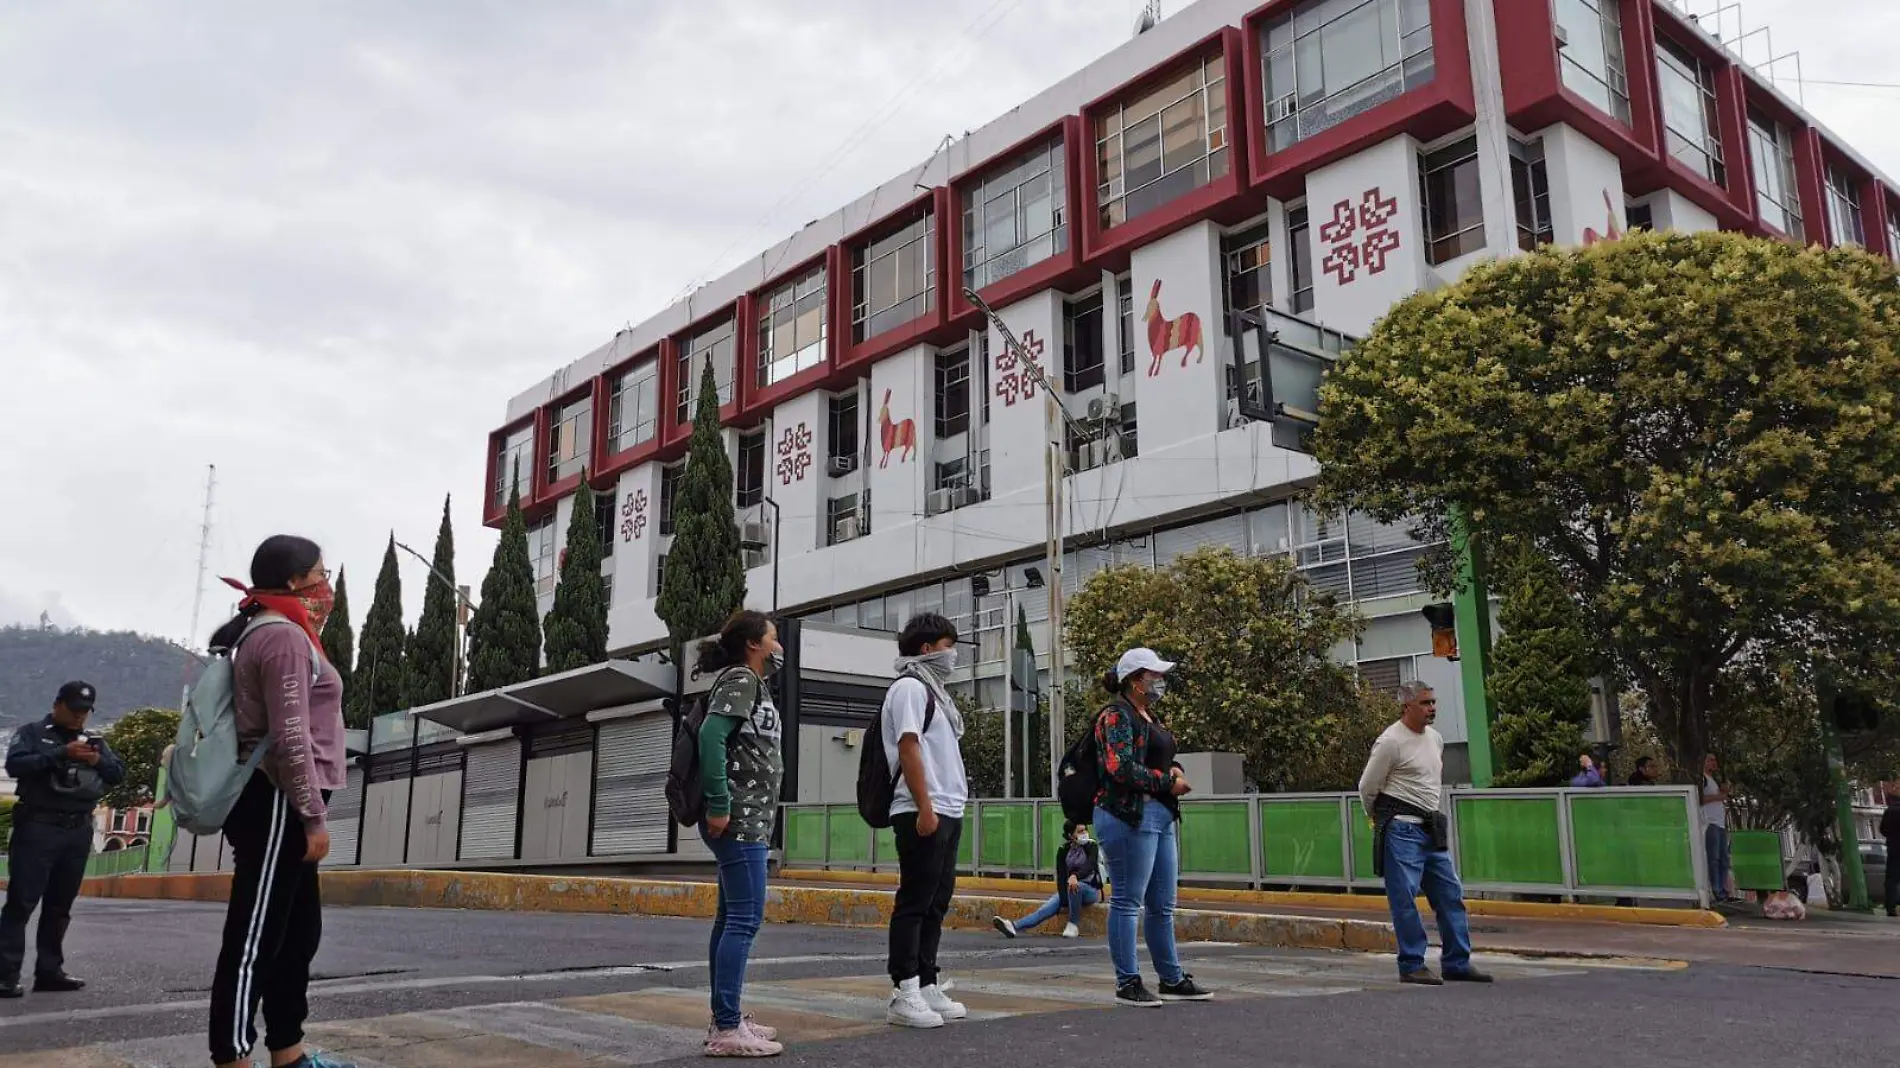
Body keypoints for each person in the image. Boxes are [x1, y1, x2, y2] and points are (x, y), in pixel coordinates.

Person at [207, 536, 352, 1068]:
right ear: (294, 581)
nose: (327, 585)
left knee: (298, 932)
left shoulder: (280, 630)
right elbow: (290, 737)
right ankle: (232, 1055)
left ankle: (287, 1052)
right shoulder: (284, 637)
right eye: (321, 572)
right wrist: (312, 816)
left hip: (284, 800)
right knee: (255, 936)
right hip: (276, 801)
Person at [1092, 648, 1211, 1008]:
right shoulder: (1116, 715)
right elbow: (1120, 767)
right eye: (1153, 674)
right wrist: (1166, 783)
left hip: (1159, 816)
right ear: (1134, 680)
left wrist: (1174, 769)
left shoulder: (1149, 716)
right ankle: (1127, 982)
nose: (1159, 680)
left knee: (1162, 904)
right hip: (1128, 814)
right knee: (1128, 902)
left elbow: (1157, 756)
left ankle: (1171, 978)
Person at [694, 610, 786, 1057]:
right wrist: (718, 803)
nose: (779, 645)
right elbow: (711, 736)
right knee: (745, 920)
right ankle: (727, 1028)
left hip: (747, 820)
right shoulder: (741, 680)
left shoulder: (753, 683)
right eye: (774, 637)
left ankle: (725, 1016)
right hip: (740, 820)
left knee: (730, 919)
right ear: (755, 644)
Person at [1359, 682, 1493, 986]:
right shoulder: (1391, 741)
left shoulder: (1435, 739)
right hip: (1401, 828)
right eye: (1424, 703)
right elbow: (1367, 787)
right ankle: (1411, 963)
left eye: (1433, 702)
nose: (1431, 708)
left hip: (1430, 829)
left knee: (1450, 895)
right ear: (1406, 707)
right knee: (1404, 898)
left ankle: (1457, 962)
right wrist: (1379, 819)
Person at [0, 680, 124, 998]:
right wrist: (60, 754)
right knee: (21, 902)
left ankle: (50, 971)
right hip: (38, 826)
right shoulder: (32, 732)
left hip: (77, 829)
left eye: (85, 712)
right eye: (74, 710)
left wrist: (96, 760)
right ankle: (5, 974)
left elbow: (117, 774)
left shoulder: (94, 742)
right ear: (58, 705)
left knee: (60, 904)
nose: (80, 717)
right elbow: (15, 765)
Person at [883, 613, 971, 1029]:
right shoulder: (909, 688)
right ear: (926, 649)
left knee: (936, 902)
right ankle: (905, 989)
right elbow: (908, 747)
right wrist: (924, 806)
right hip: (923, 808)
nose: (952, 655)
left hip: (947, 808)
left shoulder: (935, 692)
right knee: (915, 901)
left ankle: (927, 980)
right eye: (947, 646)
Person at [992, 820, 1103, 939]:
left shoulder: (1091, 846)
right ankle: (1013, 926)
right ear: (1071, 835)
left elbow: (1090, 866)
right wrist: (1064, 899)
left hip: (1090, 889)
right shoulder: (1063, 850)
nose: (1084, 833)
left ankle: (1073, 924)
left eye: (1085, 830)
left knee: (1076, 886)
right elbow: (1061, 876)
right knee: (1045, 909)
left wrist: (1075, 876)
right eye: (1080, 831)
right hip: (1069, 888)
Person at [1701, 754, 1734, 904]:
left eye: (1715, 760)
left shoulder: (1713, 780)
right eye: (1710, 760)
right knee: (1713, 858)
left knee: (1724, 859)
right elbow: (1700, 799)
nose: (1714, 763)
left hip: (1720, 823)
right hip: (1710, 822)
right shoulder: (1703, 779)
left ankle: (1722, 889)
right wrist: (1718, 796)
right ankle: (1715, 889)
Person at [1880, 794, 1898, 918]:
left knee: (1892, 879)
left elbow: (1882, 829)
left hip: (1894, 848)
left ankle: (1890, 908)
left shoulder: (1889, 811)